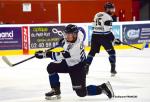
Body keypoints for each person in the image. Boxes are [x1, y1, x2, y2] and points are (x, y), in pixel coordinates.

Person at [35, 24, 114, 100]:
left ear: (75, 35)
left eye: (70, 35)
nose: (68, 37)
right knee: (51, 67)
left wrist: (44, 54)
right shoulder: (79, 34)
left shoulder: (74, 48)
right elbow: (82, 30)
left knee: (81, 93)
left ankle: (103, 87)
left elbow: (58, 55)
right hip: (68, 62)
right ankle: (56, 90)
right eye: (67, 34)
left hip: (78, 67)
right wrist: (63, 41)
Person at [85, 2, 121, 76]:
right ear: (107, 9)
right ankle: (113, 70)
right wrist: (114, 40)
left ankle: (86, 68)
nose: (113, 11)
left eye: (113, 9)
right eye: (111, 9)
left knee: (92, 52)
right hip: (103, 37)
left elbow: (93, 27)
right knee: (112, 52)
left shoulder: (97, 14)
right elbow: (107, 31)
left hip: (94, 36)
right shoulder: (108, 17)